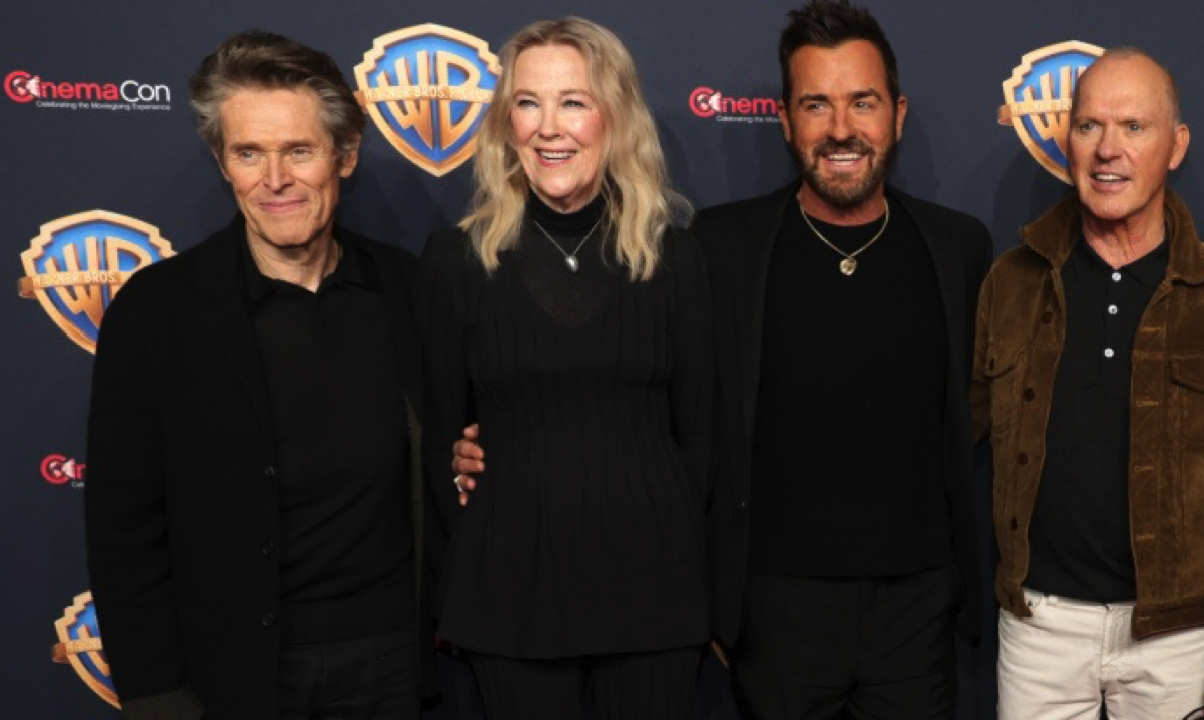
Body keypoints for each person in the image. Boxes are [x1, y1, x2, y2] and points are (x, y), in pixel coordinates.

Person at [455, 3, 992, 718]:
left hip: (919, 609)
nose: (840, 128)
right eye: (816, 105)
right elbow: (672, 415)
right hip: (773, 611)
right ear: (784, 120)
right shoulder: (720, 248)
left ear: (896, 114)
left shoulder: (958, 248)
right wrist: (483, 443)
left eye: (862, 102)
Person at [84, 30, 439, 720]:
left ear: (345, 155)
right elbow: (122, 529)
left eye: (299, 151)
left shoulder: (407, 289)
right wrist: (157, 697)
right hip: (232, 674)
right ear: (223, 163)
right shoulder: (159, 312)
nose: (274, 180)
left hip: (390, 663)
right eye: (249, 153)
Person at [413, 17, 713, 720]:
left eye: (573, 102)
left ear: (615, 116)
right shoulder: (457, 262)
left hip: (654, 594)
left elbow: (702, 440)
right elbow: (435, 441)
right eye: (528, 102)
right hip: (509, 594)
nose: (549, 127)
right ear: (506, 123)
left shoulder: (674, 259)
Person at [972, 48, 1204, 720]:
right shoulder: (1011, 283)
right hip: (1038, 627)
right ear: (1068, 139)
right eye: (1089, 126)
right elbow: (950, 444)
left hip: (1177, 635)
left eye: (1134, 127)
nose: (1108, 149)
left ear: (1177, 145)